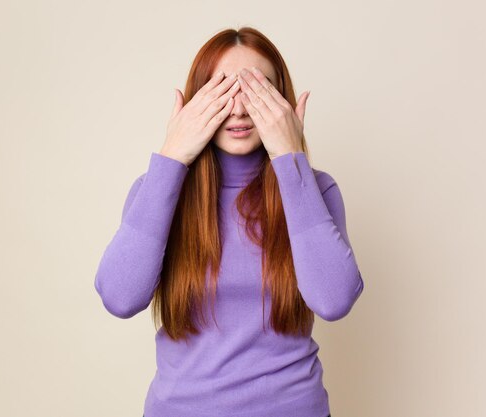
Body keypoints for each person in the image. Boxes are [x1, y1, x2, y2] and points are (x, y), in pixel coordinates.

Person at [95, 26, 361, 417]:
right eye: (222, 91)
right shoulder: (156, 191)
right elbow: (120, 298)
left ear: (281, 102)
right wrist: (171, 158)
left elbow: (334, 299)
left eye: (255, 92)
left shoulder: (315, 191)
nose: (238, 110)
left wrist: (290, 159)